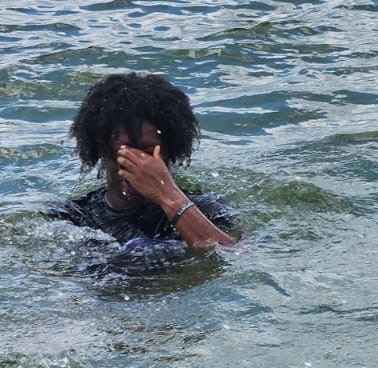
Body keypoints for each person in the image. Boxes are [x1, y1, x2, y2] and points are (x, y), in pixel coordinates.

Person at [49, 72, 238, 262]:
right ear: (100, 149)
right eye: (125, 152)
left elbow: (232, 255)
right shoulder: (74, 217)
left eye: (149, 152)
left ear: (170, 149)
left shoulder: (205, 209)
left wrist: (169, 196)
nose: (139, 163)